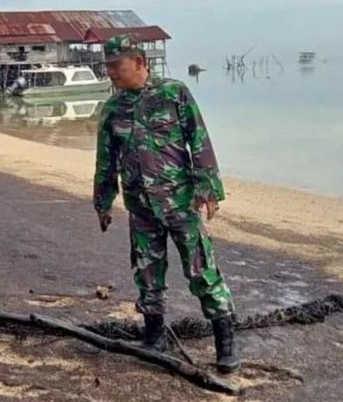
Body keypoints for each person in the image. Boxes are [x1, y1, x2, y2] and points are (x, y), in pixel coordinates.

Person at [93, 35, 240, 373]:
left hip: (179, 202)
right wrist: (102, 201)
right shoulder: (113, 108)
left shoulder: (174, 94)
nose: (111, 72)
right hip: (140, 207)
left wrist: (209, 188)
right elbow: (105, 161)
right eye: (108, 66)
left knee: (202, 270)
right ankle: (154, 335)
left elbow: (198, 139)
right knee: (147, 271)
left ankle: (226, 342)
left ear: (140, 62)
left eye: (117, 66)